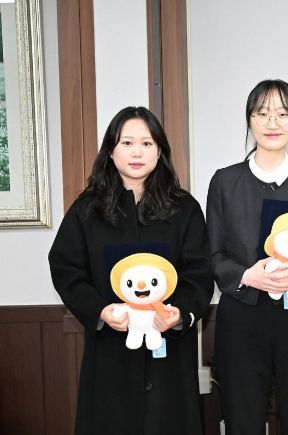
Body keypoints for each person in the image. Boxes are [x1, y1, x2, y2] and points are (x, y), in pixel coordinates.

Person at [48, 106, 214, 435]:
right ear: (111, 151)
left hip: (169, 356)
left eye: (147, 143)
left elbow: (200, 273)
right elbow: (66, 269)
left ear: (160, 151)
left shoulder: (184, 208)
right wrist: (100, 310)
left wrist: (179, 313)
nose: (137, 152)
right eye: (127, 143)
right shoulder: (87, 209)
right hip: (111, 355)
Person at [206, 79, 288, 435]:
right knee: (242, 417)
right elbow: (213, 253)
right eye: (262, 113)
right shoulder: (224, 181)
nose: (272, 123)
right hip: (242, 317)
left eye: (283, 114)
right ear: (249, 120)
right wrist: (247, 275)